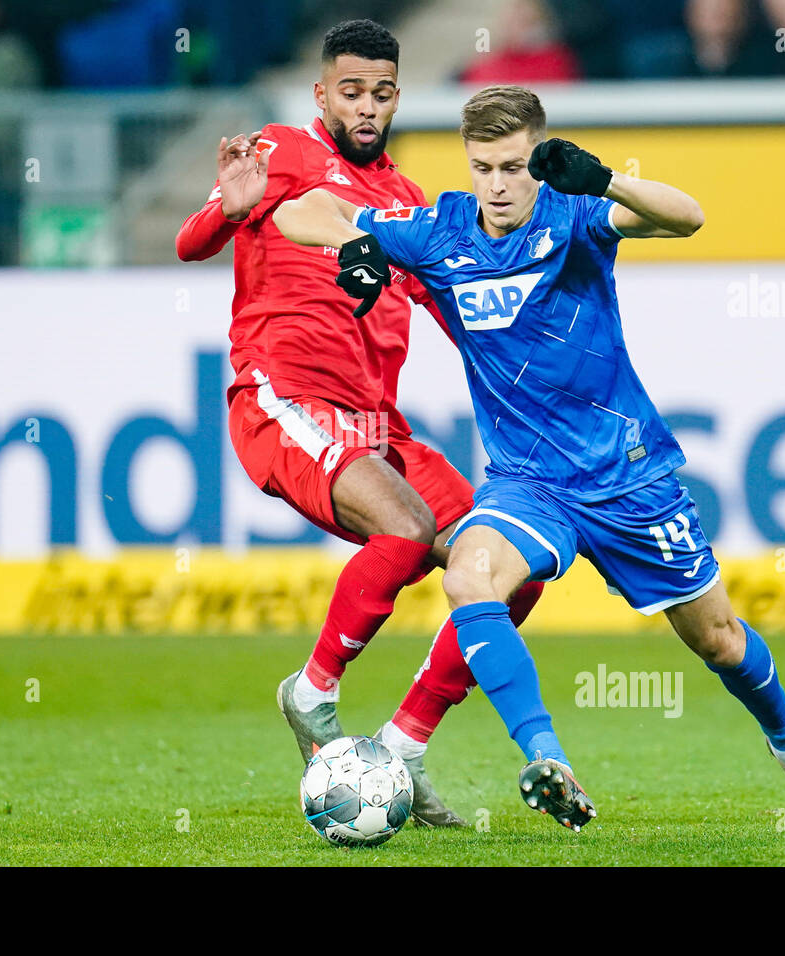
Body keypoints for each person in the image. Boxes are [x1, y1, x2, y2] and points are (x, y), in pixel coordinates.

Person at [272, 84, 785, 831]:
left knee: (720, 640)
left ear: (537, 159)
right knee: (469, 572)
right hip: (530, 485)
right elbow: (300, 212)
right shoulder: (441, 229)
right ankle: (545, 757)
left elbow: (688, 217)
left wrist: (608, 179)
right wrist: (353, 244)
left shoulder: (575, 215)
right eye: (483, 167)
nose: (496, 185)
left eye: (513, 167)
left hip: (627, 477)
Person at [176, 21, 547, 828]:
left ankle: (404, 747)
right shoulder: (279, 154)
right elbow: (189, 242)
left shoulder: (409, 202)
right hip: (285, 399)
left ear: (397, 97)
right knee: (408, 528)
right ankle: (311, 696)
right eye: (351, 91)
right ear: (322, 95)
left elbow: (452, 311)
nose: (367, 106)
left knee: (511, 569)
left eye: (381, 92)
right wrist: (228, 213)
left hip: (378, 424)